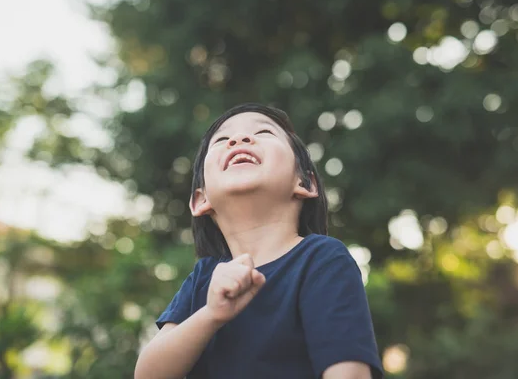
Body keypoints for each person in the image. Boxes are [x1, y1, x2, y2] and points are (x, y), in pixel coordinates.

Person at [135, 103, 383, 379]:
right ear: (200, 200)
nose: (238, 139)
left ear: (305, 183)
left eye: (264, 132)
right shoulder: (204, 278)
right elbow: (147, 374)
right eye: (221, 140)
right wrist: (212, 314)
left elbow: (349, 373)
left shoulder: (322, 259)